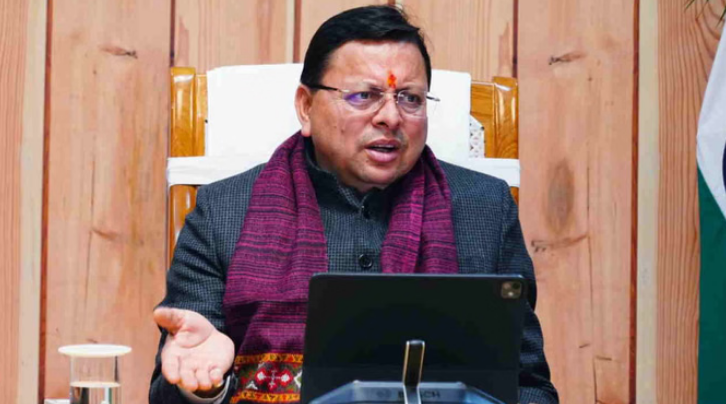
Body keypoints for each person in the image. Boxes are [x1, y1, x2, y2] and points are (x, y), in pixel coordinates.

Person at [150, 5, 558, 404]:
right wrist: (203, 386)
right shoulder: (222, 212)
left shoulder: (485, 209)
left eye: (410, 98)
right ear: (306, 107)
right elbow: (165, 395)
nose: (391, 117)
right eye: (364, 95)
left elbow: (529, 385)